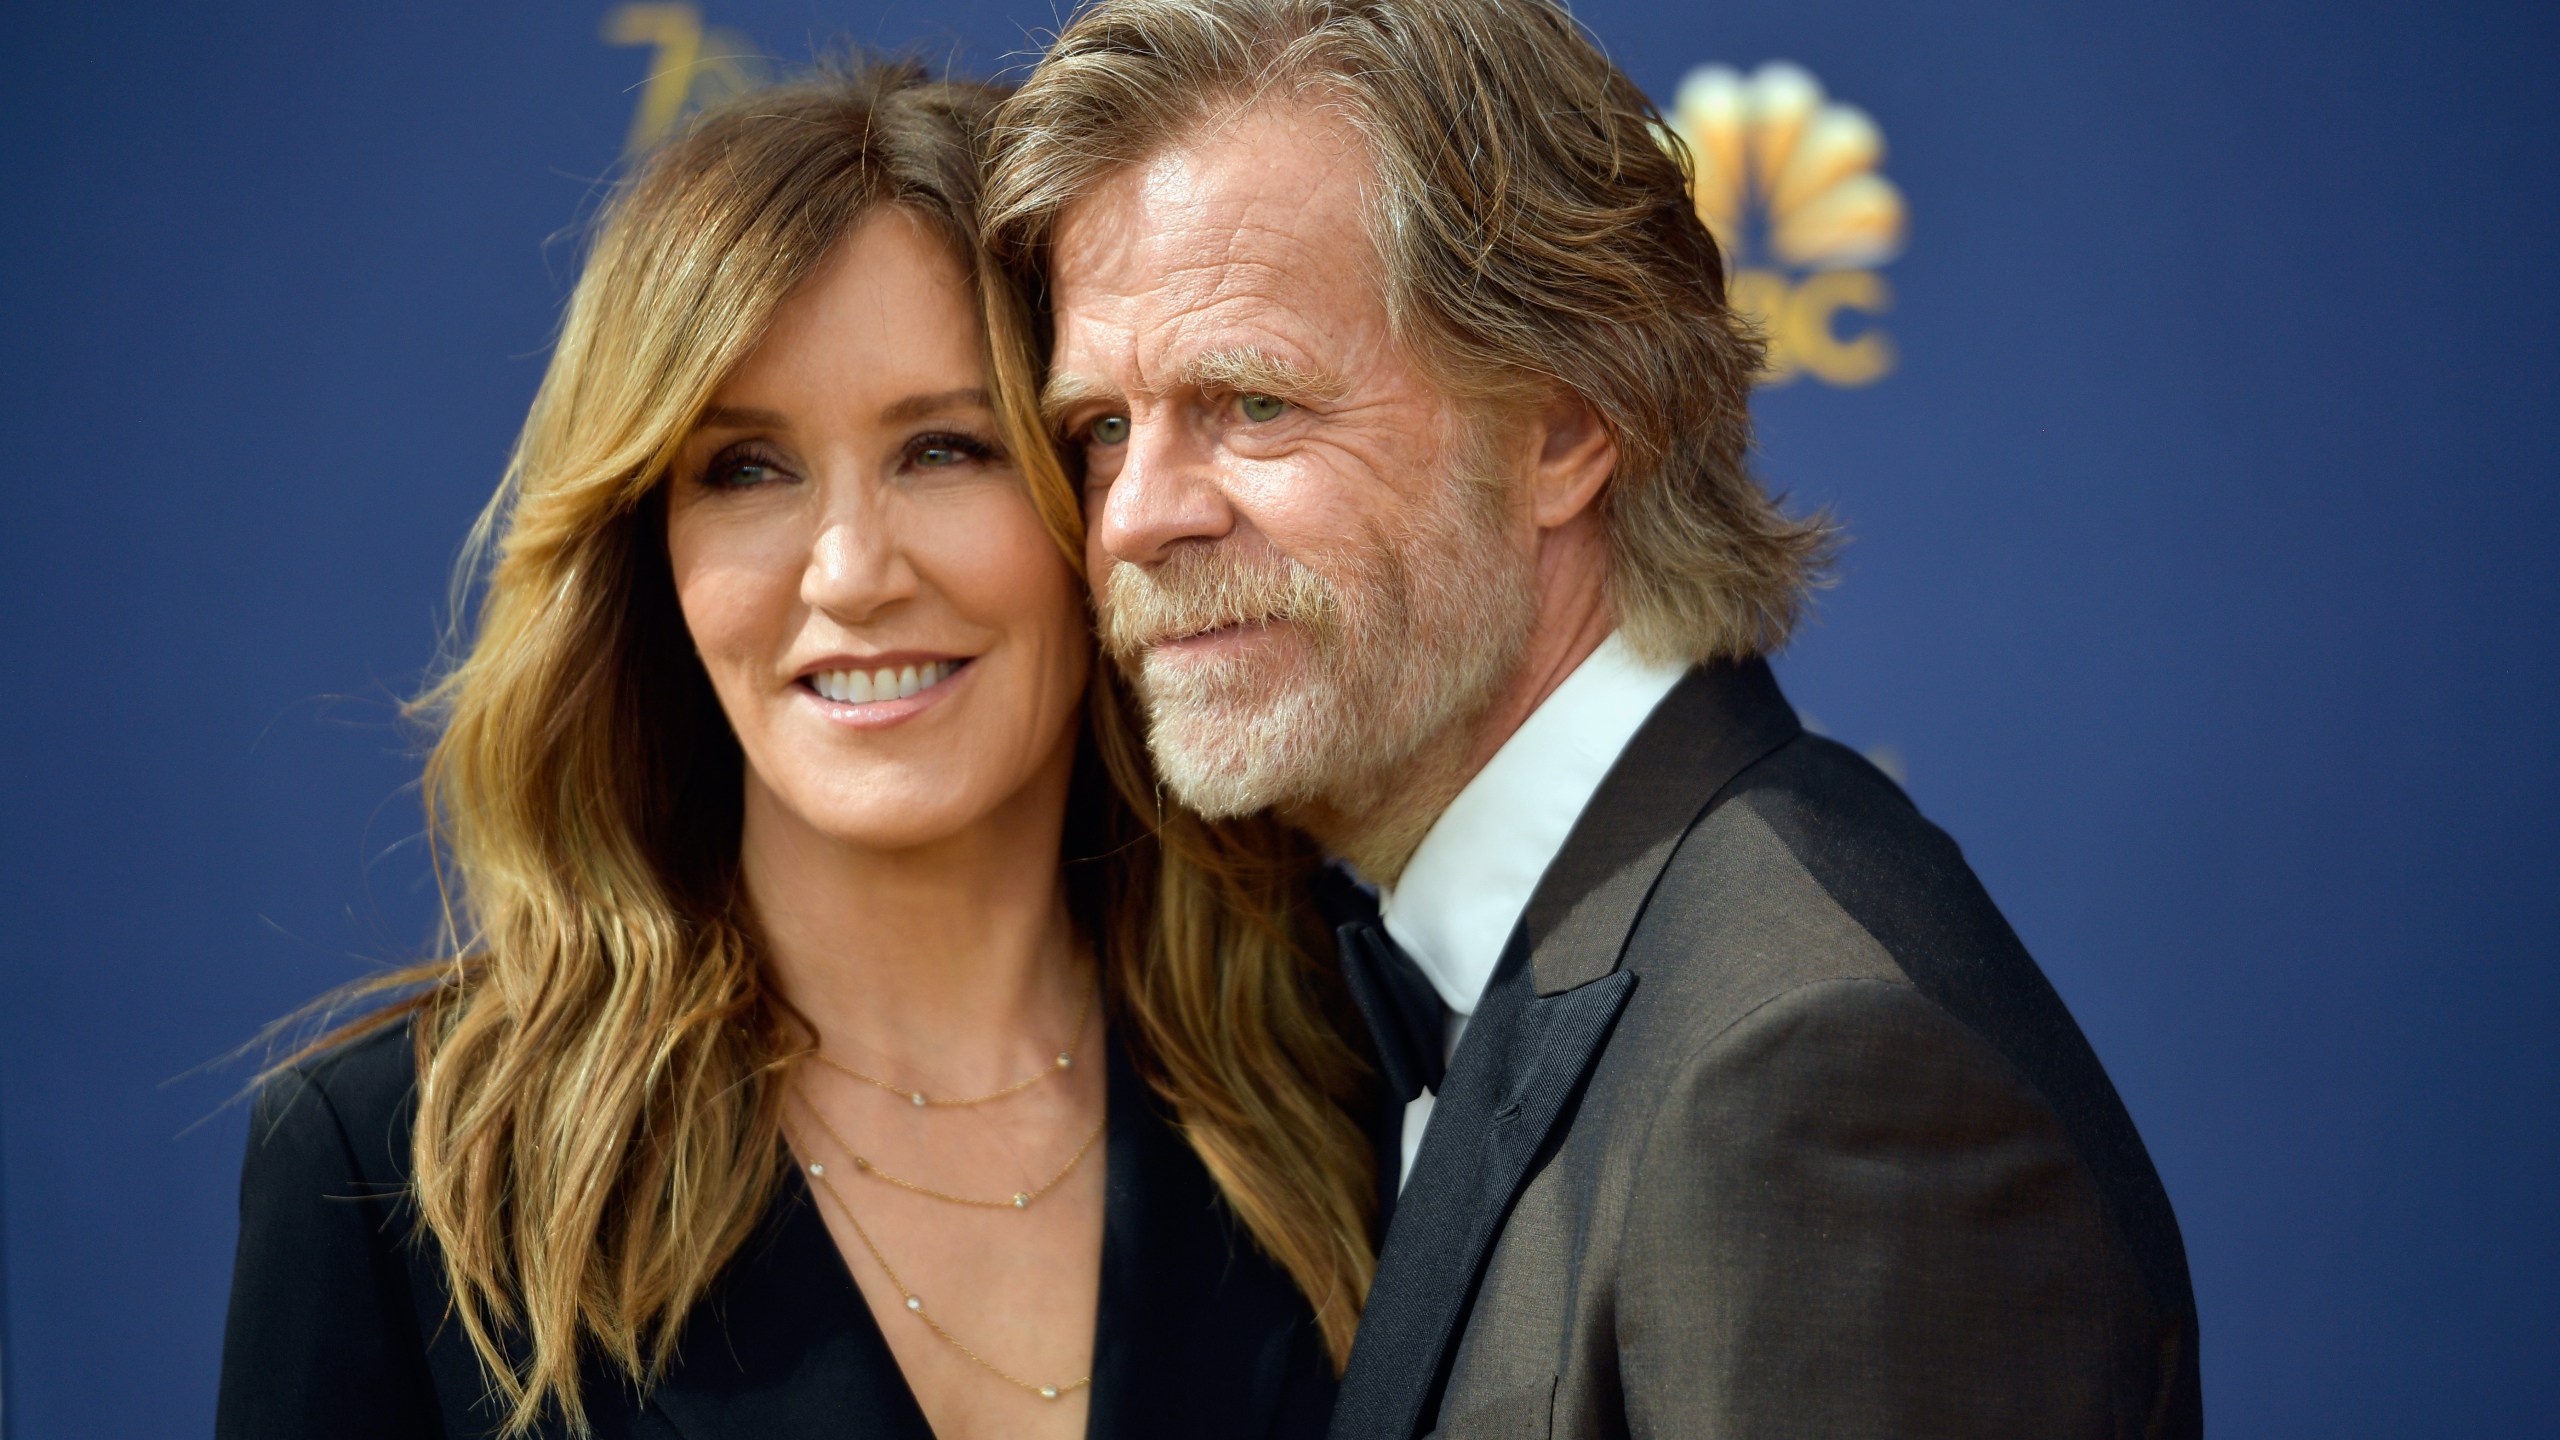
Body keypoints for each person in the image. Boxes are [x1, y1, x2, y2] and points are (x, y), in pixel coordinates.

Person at [985, 1, 2203, 1435]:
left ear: (1563, 430)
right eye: (1103, 432)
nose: (1137, 519)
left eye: (1251, 403)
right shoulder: (1483, 983)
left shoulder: (1815, 1081)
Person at [217, 61, 1376, 1440]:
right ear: (649, 555)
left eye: (945, 449)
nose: (850, 570)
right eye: (746, 470)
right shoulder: (403, 1174)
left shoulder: (1354, 1066)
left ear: (1100, 496)